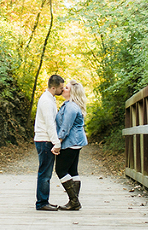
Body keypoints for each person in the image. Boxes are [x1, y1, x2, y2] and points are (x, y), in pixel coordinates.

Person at [54, 79, 88, 211]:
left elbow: (65, 127)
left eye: (66, 88)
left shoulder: (71, 107)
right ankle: (73, 201)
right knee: (72, 171)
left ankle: (74, 201)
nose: (63, 89)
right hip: (76, 142)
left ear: (72, 92)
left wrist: (58, 142)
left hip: (71, 142)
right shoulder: (69, 105)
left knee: (61, 170)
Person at [33, 74, 64, 211]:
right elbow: (49, 124)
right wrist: (56, 143)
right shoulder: (46, 101)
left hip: (45, 139)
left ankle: (43, 200)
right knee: (45, 173)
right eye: (61, 88)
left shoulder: (50, 99)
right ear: (53, 87)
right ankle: (42, 203)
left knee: (46, 172)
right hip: (44, 140)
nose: (62, 90)